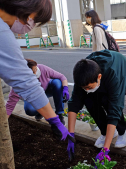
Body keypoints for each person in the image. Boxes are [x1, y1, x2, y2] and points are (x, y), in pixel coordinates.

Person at [0, 0, 74, 142]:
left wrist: (64, 87)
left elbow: (60, 77)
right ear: (27, 9)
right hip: (38, 95)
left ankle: (59, 113)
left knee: (57, 83)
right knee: (31, 108)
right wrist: (55, 122)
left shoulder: (43, 69)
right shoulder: (2, 32)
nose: (32, 25)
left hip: (45, 92)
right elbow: (25, 83)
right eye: (35, 19)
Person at [67, 50, 126, 160]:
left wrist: (105, 150)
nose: (86, 90)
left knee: (108, 101)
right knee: (88, 100)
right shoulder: (83, 74)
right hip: (104, 79)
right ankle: (106, 132)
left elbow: (115, 108)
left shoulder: (112, 74)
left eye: (89, 87)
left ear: (99, 76)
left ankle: (123, 131)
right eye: (84, 88)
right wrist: (70, 135)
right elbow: (74, 102)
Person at [6, 59, 69, 124]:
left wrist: (65, 88)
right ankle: (39, 111)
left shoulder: (42, 68)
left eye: (36, 68)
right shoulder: (19, 82)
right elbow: (10, 105)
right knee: (30, 110)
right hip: (33, 96)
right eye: (34, 71)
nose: (37, 71)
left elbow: (62, 77)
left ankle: (59, 114)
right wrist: (4, 122)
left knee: (57, 83)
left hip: (46, 89)